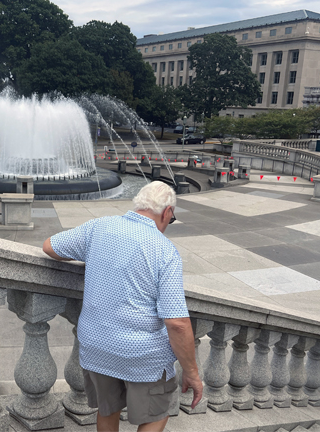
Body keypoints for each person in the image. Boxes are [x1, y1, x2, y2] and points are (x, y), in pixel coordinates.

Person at [43, 181, 202, 432]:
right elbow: (177, 323)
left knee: (108, 411)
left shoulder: (99, 227)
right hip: (143, 356)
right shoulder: (164, 250)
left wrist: (96, 258)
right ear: (167, 212)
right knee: (157, 414)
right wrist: (192, 372)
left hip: (96, 346)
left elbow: (50, 246)